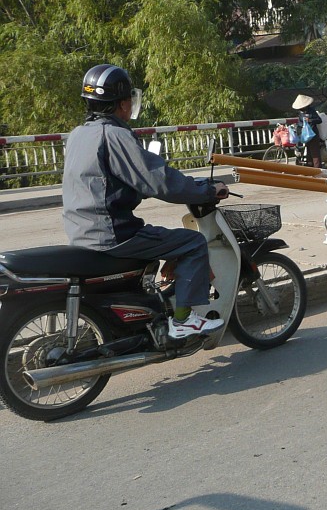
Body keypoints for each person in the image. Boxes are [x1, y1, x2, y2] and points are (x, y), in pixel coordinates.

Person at [62, 65, 230, 345]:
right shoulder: (115, 135)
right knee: (192, 243)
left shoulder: (79, 134)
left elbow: (105, 183)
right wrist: (207, 190)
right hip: (114, 234)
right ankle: (183, 321)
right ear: (123, 104)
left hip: (82, 231)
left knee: (163, 239)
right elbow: (160, 181)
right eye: (128, 100)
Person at [293, 94, 326, 168]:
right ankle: (310, 168)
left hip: (313, 134)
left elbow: (319, 120)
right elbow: (300, 123)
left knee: (315, 153)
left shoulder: (311, 111)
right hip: (305, 135)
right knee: (308, 152)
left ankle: (318, 169)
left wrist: (310, 120)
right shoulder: (301, 113)